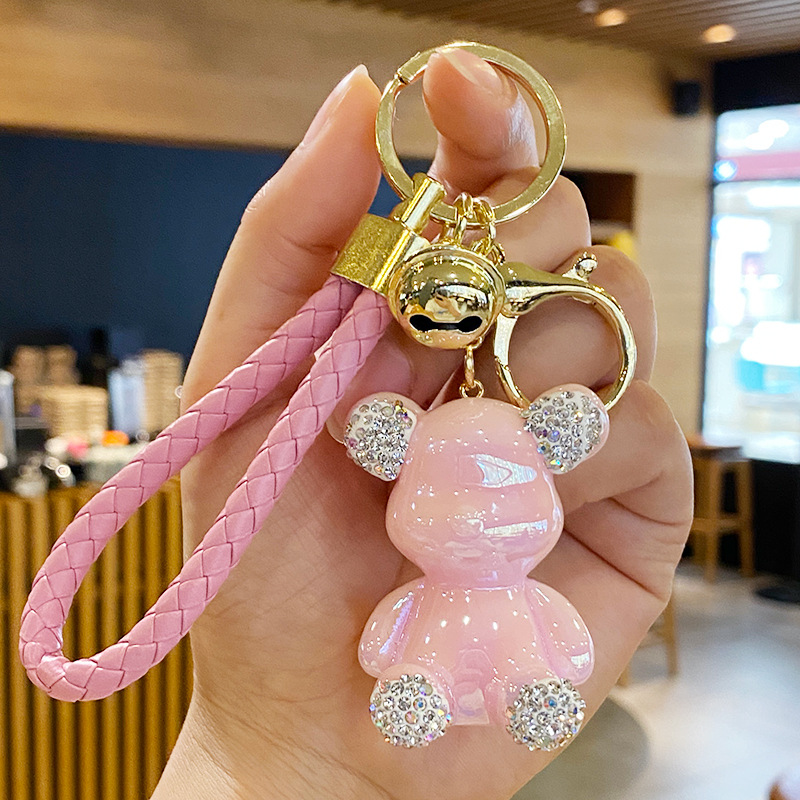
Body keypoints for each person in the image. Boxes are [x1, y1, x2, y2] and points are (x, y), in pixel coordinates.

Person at [152, 48, 693, 799]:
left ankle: (520, 694)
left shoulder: (522, 559)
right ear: (391, 447)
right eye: (447, 497)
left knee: (524, 673)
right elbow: (390, 638)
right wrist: (275, 756)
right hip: (406, 671)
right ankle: (432, 693)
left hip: (505, 660)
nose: (474, 519)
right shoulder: (411, 534)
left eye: (498, 498)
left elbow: (563, 637)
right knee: (422, 673)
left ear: (558, 440)